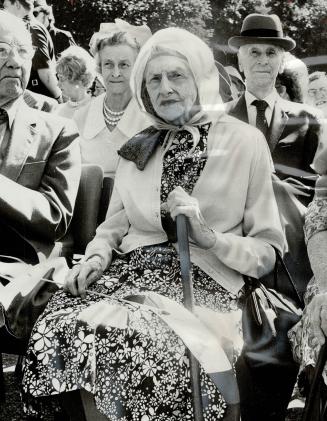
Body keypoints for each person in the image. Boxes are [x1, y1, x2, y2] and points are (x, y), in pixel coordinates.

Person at [22, 27, 284, 421]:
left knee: (149, 344)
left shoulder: (244, 141)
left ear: (199, 78)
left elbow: (267, 252)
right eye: (154, 79)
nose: (165, 88)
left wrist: (208, 236)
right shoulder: (140, 144)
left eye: (176, 76)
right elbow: (112, 228)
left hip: (207, 280)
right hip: (130, 276)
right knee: (61, 327)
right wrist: (93, 259)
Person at [0, 10, 81, 263]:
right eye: (2, 50)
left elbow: (56, 216)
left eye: (23, 51)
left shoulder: (58, 131)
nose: (15, 61)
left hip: (10, 263)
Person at [226, 13, 322, 182]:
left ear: (282, 63)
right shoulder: (218, 119)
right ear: (240, 62)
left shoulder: (309, 120)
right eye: (254, 52)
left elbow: (317, 187)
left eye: (271, 53)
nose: (263, 60)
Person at [73, 19, 152, 177]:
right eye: (108, 64)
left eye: (123, 65)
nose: (116, 73)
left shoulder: (150, 117)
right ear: (99, 68)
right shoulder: (80, 117)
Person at [2, 0, 63, 101]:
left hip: (42, 97)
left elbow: (45, 72)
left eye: (6, 6)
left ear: (17, 4)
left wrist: (60, 98)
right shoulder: (31, 26)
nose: (4, 10)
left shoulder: (32, 29)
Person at [54, 46, 95, 118]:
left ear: (78, 79)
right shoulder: (57, 110)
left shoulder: (96, 109)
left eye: (61, 78)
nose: (58, 84)